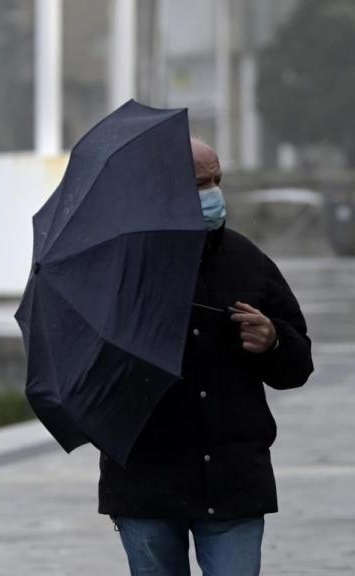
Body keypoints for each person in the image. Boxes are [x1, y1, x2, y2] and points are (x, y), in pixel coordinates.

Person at [98, 138, 314, 575]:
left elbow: (298, 365)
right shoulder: (123, 264)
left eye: (217, 180)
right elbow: (98, 372)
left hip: (234, 483)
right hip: (147, 483)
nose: (213, 193)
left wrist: (273, 340)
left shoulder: (246, 259)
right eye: (200, 183)